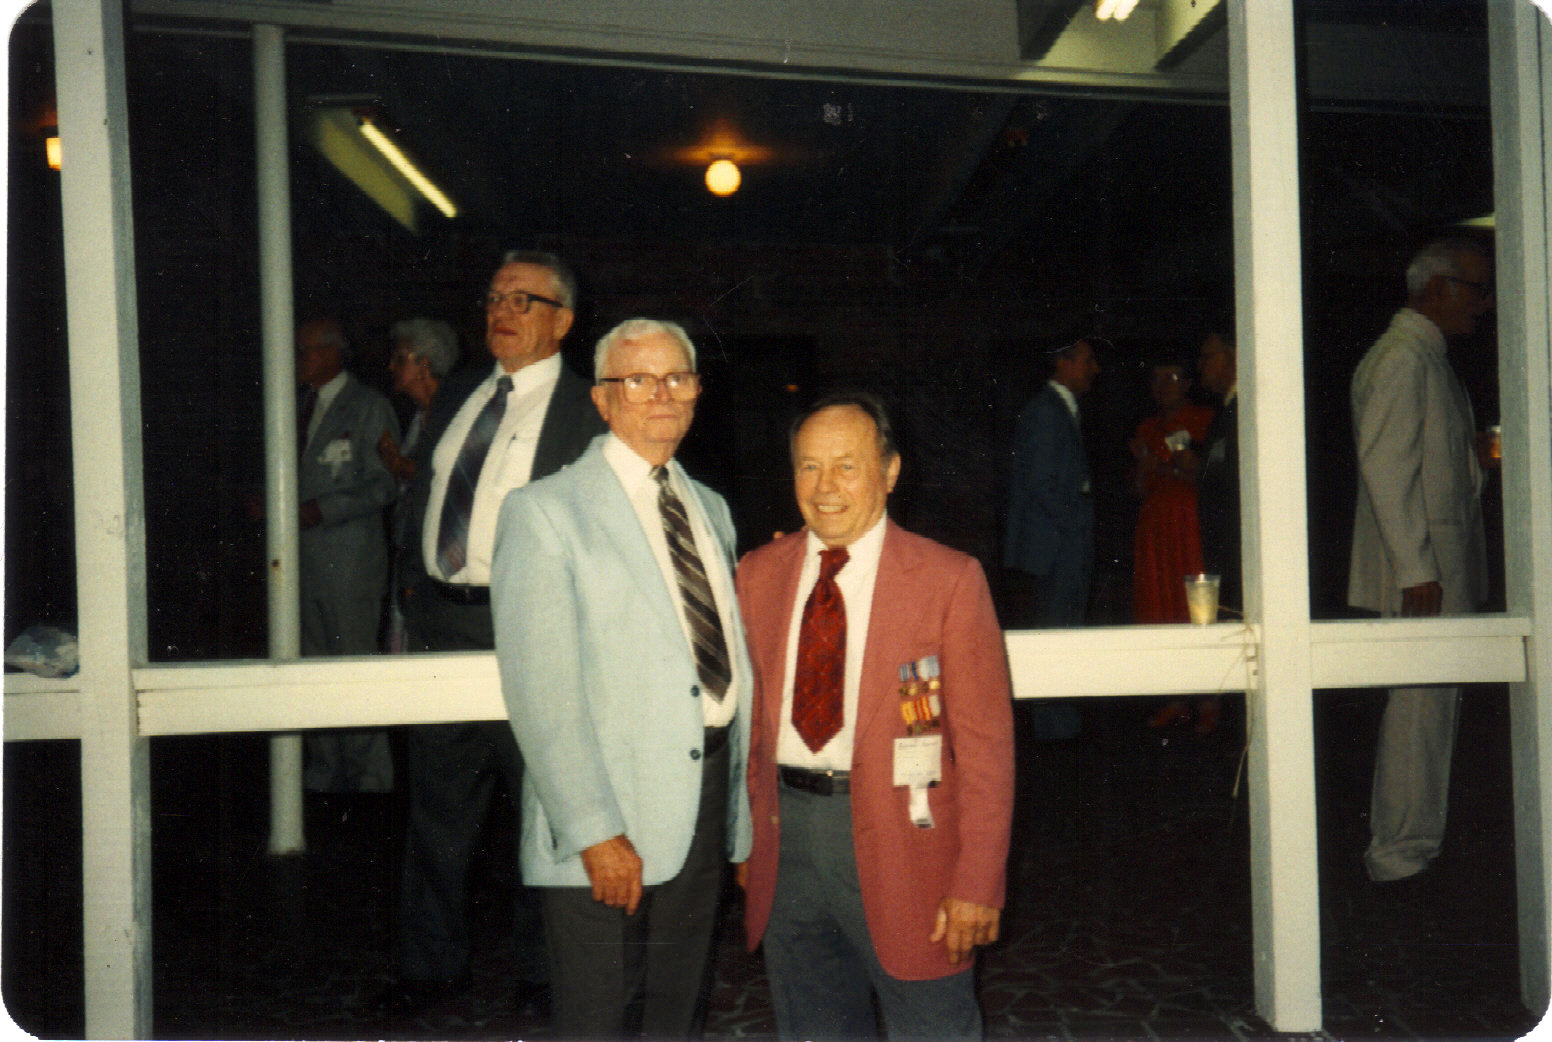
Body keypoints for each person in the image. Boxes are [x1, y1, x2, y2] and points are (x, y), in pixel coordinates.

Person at [492, 317, 753, 1039]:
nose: (662, 394)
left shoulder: (710, 508)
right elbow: (540, 695)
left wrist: (738, 820)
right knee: (600, 1017)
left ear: (697, 391)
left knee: (677, 1009)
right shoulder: (545, 512)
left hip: (703, 794)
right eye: (638, 380)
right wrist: (594, 831)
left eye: (677, 378)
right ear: (602, 400)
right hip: (607, 813)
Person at [736, 393, 1015, 1042]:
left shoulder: (948, 579)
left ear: (890, 472)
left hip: (909, 847)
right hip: (788, 840)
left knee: (933, 1026)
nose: (825, 487)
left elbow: (987, 751)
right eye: (809, 467)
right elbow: (750, 726)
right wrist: (747, 838)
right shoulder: (757, 574)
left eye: (847, 466)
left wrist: (977, 882)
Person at [379, 252, 604, 1018]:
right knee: (436, 808)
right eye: (494, 298)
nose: (500, 312)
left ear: (562, 321)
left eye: (521, 300)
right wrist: (414, 588)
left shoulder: (586, 409)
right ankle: (430, 967)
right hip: (443, 625)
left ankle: (544, 974)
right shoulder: (461, 394)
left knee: (545, 806)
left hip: (531, 630)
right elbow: (427, 493)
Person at [1348, 236, 1495, 885]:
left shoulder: (1425, 358)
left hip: (1435, 566)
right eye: (1477, 289)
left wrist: (1474, 461)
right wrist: (1415, 570)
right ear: (1437, 288)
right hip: (1423, 574)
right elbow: (1386, 466)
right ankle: (1399, 853)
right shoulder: (1404, 358)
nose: (1485, 305)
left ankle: (1414, 844)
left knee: (1429, 710)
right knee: (1418, 711)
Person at [294, 316, 399, 794]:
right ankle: (325, 767)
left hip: (350, 564)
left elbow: (384, 484)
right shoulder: (298, 406)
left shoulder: (368, 406)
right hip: (303, 563)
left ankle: (370, 775)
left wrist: (324, 509)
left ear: (335, 352)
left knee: (354, 666)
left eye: (307, 349)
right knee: (311, 665)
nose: (299, 359)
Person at [1129, 355, 1217, 732]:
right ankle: (1177, 699)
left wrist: (1164, 466)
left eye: (1172, 377)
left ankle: (1210, 701)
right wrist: (1144, 468)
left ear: (1188, 383)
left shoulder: (1205, 420)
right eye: (1157, 379)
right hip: (1156, 527)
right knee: (1161, 605)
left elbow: (1206, 477)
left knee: (1198, 608)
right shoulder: (1147, 428)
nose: (1163, 386)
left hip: (1190, 524)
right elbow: (1138, 488)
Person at [1003, 335, 1103, 627]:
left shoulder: (1061, 408)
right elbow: (1041, 484)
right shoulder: (1047, 410)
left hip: (1063, 544)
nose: (1095, 369)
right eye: (1088, 361)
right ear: (1064, 363)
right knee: (1059, 630)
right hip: (1056, 549)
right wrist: (1077, 526)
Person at [379, 317, 460, 654]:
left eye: (400, 359)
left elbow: (446, 476)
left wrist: (401, 466)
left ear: (424, 364)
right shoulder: (417, 417)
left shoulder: (453, 414)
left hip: (438, 556)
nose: (391, 366)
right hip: (409, 550)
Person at [1190, 326, 1241, 614]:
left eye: (1207, 357)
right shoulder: (1226, 410)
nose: (1201, 366)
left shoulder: (1245, 410)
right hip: (1222, 552)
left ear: (1233, 357)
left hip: (1237, 552)